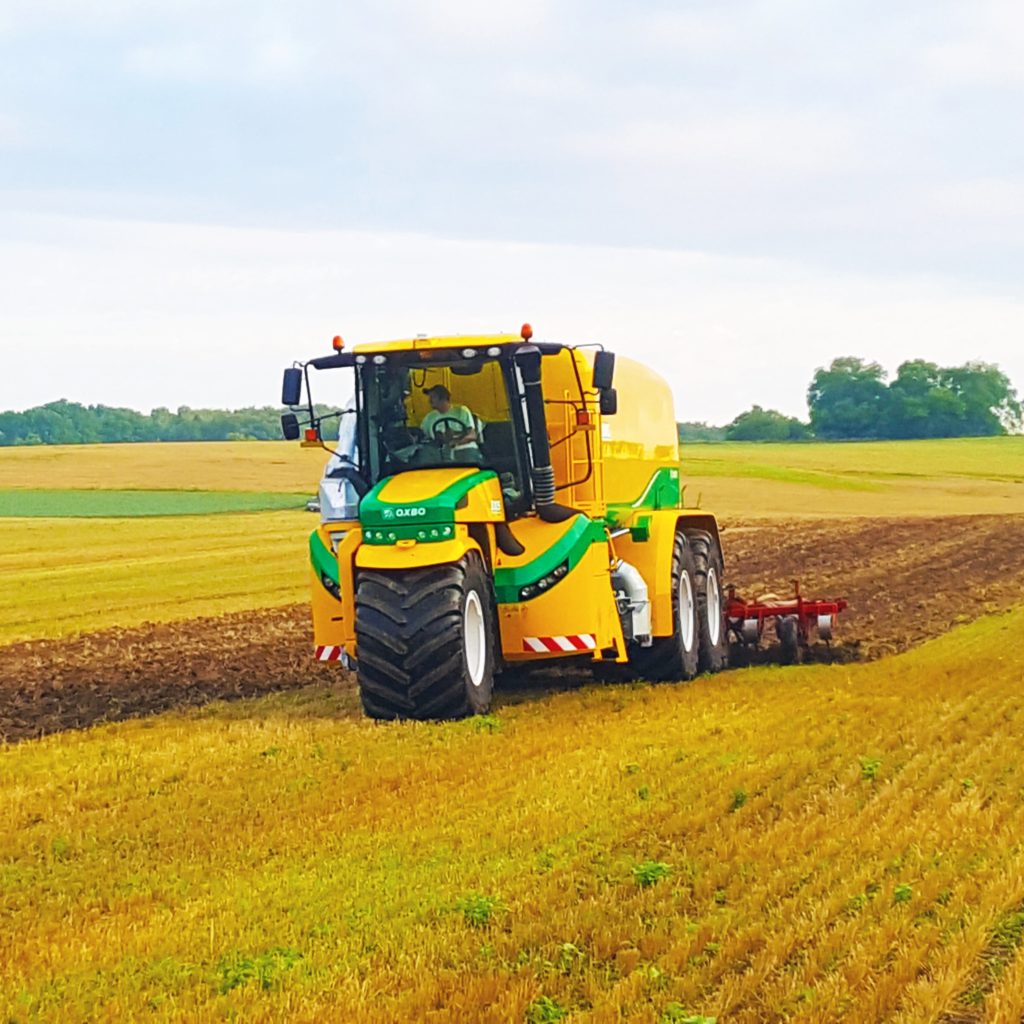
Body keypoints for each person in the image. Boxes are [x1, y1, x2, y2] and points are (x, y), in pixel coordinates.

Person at [420, 384, 481, 462]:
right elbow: (424, 436)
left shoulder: (461, 411)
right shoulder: (429, 417)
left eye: (433, 397)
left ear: (443, 398)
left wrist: (456, 442)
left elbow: (472, 435)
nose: (429, 400)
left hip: (464, 449)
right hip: (440, 453)